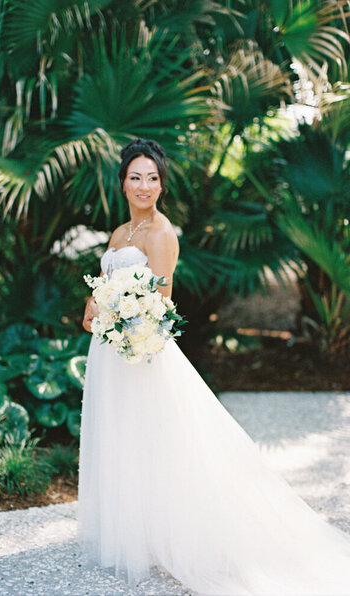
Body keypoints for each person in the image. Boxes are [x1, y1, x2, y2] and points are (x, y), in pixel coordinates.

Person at [78, 138, 350, 596]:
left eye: (153, 178)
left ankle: (180, 534)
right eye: (135, 176)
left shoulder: (163, 234)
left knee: (162, 442)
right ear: (122, 182)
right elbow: (107, 284)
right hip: (109, 350)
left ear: (162, 185)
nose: (144, 185)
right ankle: (135, 532)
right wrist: (94, 306)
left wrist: (118, 321)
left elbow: (160, 305)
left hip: (140, 349)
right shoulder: (120, 233)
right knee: (122, 438)